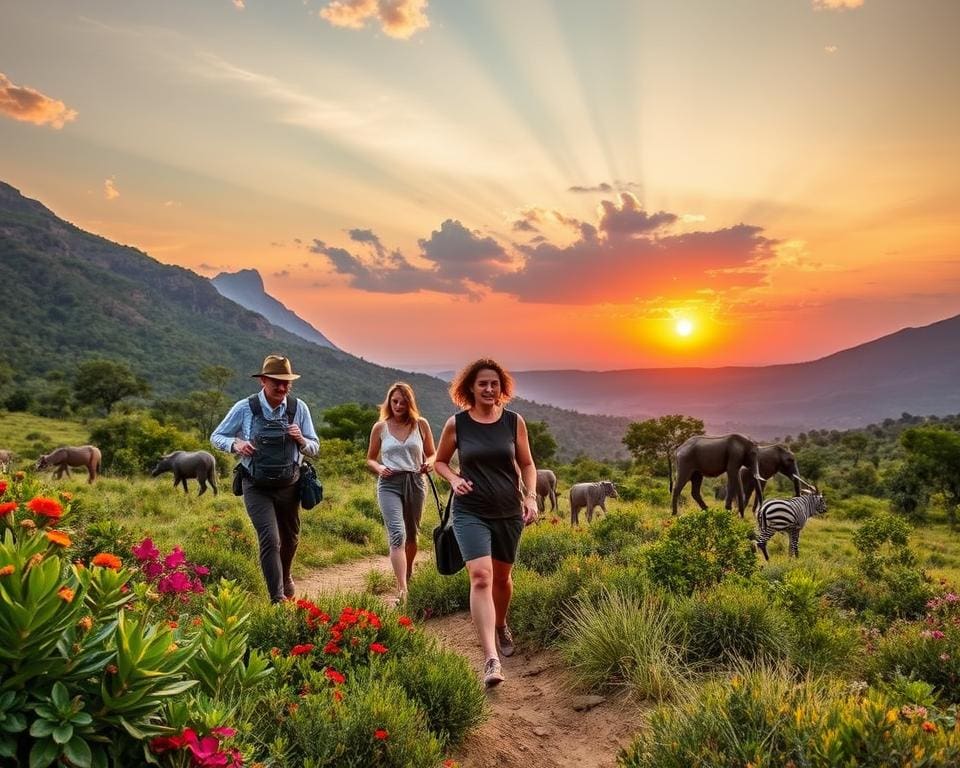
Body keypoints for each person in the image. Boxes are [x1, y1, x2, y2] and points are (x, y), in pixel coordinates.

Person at [433, 358, 538, 688]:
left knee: (502, 580)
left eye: (494, 383)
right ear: (470, 388)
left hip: (508, 511)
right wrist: (452, 478)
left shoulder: (513, 422)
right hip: (470, 510)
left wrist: (531, 496)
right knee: (481, 577)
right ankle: (491, 659)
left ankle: (500, 623)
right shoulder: (457, 424)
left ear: (502, 387)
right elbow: (439, 462)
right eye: (482, 384)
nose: (489, 389)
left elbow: (527, 463)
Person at [211, 354, 320, 603]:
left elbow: (315, 446)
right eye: (276, 382)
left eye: (286, 383)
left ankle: (286, 576)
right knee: (270, 538)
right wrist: (235, 443)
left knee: (290, 539)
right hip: (255, 485)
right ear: (263, 380)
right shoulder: (244, 408)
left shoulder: (298, 408)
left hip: (290, 485)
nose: (282, 387)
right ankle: (277, 598)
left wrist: (301, 440)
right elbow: (217, 436)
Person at [365, 382, 436, 603]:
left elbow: (433, 454)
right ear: (389, 402)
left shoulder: (421, 425)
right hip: (389, 483)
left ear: (409, 403)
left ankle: (408, 572)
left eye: (402, 402)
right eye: (394, 401)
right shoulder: (380, 427)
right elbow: (370, 459)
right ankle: (402, 590)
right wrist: (379, 468)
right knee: (397, 534)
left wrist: (430, 464)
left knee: (412, 536)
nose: (398, 405)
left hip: (415, 481)